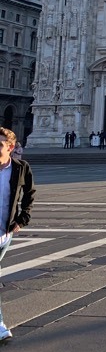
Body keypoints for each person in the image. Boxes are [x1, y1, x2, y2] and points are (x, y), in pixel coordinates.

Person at [0, 126, 36, 341]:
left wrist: (22, 219)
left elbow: (30, 193)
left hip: (4, 230)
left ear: (10, 147)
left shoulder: (20, 168)